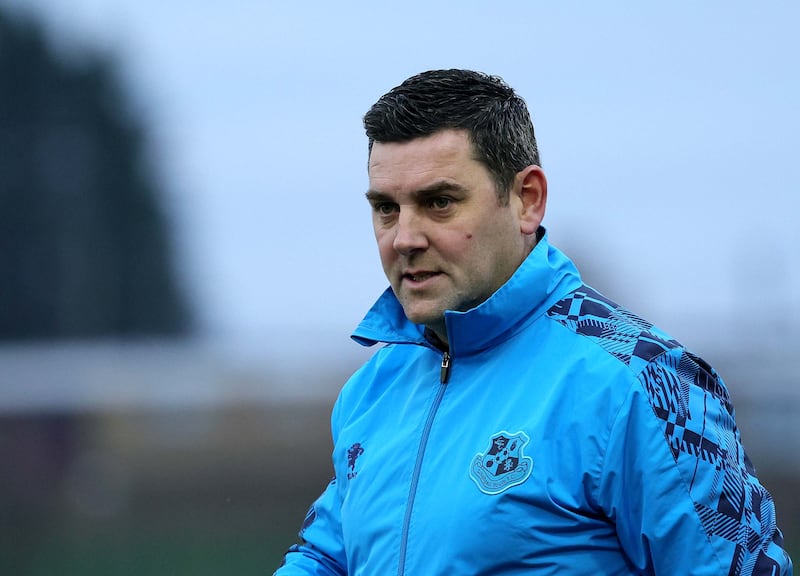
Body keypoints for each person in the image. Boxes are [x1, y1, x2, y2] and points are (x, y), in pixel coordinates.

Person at [275, 69, 792, 575]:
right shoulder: (373, 388)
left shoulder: (640, 381)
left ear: (527, 200)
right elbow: (327, 558)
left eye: (439, 202)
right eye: (387, 208)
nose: (404, 237)